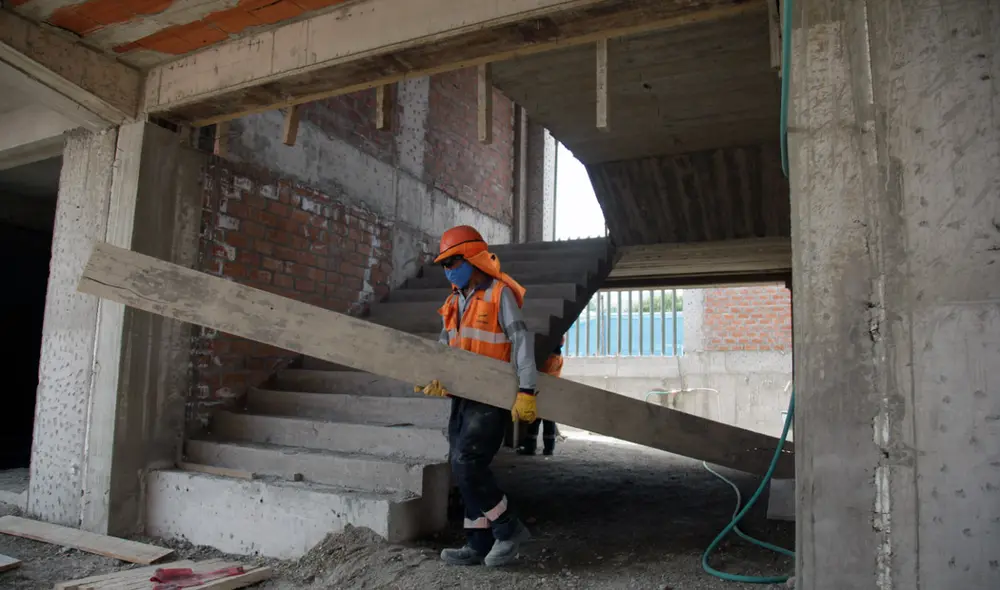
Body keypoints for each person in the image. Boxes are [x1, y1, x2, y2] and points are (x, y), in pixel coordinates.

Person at [416, 225, 538, 567]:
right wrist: (431, 376)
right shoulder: (454, 301)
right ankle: (477, 543)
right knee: (463, 465)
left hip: (492, 397)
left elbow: (521, 342)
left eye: (453, 261)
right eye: (444, 264)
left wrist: (526, 390)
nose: (448, 269)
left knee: (468, 463)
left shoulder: (500, 294)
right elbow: (445, 347)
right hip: (463, 396)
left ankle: (508, 528)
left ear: (472, 258)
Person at [517, 339, 563, 456]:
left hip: (540, 392)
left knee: (533, 421)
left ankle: (530, 447)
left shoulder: (547, 359)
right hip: (551, 393)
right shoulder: (559, 359)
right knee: (549, 423)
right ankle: (549, 449)